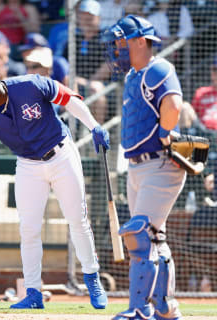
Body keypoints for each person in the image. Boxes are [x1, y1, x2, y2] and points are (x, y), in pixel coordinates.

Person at [0, 61, 109, 309]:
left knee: (77, 219)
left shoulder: (30, 84)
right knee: (28, 229)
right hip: (28, 164)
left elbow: (68, 99)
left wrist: (94, 126)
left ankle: (92, 279)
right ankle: (33, 293)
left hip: (61, 154)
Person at [102, 15, 186, 320]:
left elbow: (173, 104)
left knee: (139, 235)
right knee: (154, 238)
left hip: (160, 162)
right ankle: (165, 308)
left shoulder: (159, 68)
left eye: (121, 42)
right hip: (137, 166)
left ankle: (140, 308)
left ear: (140, 41)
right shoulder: (132, 77)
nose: (116, 49)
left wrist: (166, 131)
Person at [191, 57, 217, 131]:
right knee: (185, 108)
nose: (216, 74)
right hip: (203, 132)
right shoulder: (201, 92)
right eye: (215, 70)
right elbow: (192, 114)